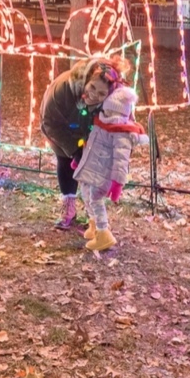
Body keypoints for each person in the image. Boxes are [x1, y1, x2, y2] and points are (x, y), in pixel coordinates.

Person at [38, 56, 124, 230]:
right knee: (65, 160)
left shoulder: (117, 99)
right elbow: (49, 122)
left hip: (91, 126)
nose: (94, 95)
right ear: (85, 80)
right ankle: (68, 206)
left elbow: (124, 126)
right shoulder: (63, 89)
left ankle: (93, 213)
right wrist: (73, 149)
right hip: (61, 125)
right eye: (92, 87)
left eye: (101, 94)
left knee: (91, 167)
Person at [73, 84, 148, 252]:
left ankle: (103, 232)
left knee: (96, 198)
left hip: (105, 172)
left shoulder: (122, 133)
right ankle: (93, 223)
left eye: (112, 113)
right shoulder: (101, 122)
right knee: (84, 189)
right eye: (107, 111)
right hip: (93, 166)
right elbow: (90, 145)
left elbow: (121, 160)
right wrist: (80, 161)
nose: (109, 116)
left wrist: (117, 183)